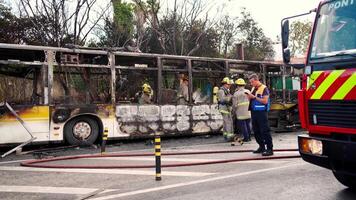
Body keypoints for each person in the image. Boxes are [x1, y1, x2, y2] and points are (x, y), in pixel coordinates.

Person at [246, 74, 273, 156]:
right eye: (250, 82)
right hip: (254, 112)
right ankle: (261, 147)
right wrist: (249, 97)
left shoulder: (264, 88)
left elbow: (265, 101)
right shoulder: (253, 88)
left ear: (256, 80)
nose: (251, 84)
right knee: (256, 131)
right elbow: (252, 98)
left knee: (265, 131)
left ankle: (269, 149)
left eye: (252, 82)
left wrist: (254, 97)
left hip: (261, 112)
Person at [233, 78, 252, 142]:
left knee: (243, 126)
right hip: (248, 111)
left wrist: (233, 111)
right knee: (248, 124)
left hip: (240, 112)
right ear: (244, 85)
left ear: (237, 85)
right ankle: (249, 137)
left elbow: (234, 104)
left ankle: (246, 138)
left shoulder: (236, 93)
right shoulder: (248, 91)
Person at [217, 77, 234, 141]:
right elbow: (222, 100)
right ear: (225, 84)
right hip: (224, 108)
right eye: (229, 84)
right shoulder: (221, 91)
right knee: (228, 122)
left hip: (226, 108)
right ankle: (229, 137)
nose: (230, 86)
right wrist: (230, 97)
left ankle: (226, 135)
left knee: (226, 122)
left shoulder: (225, 90)